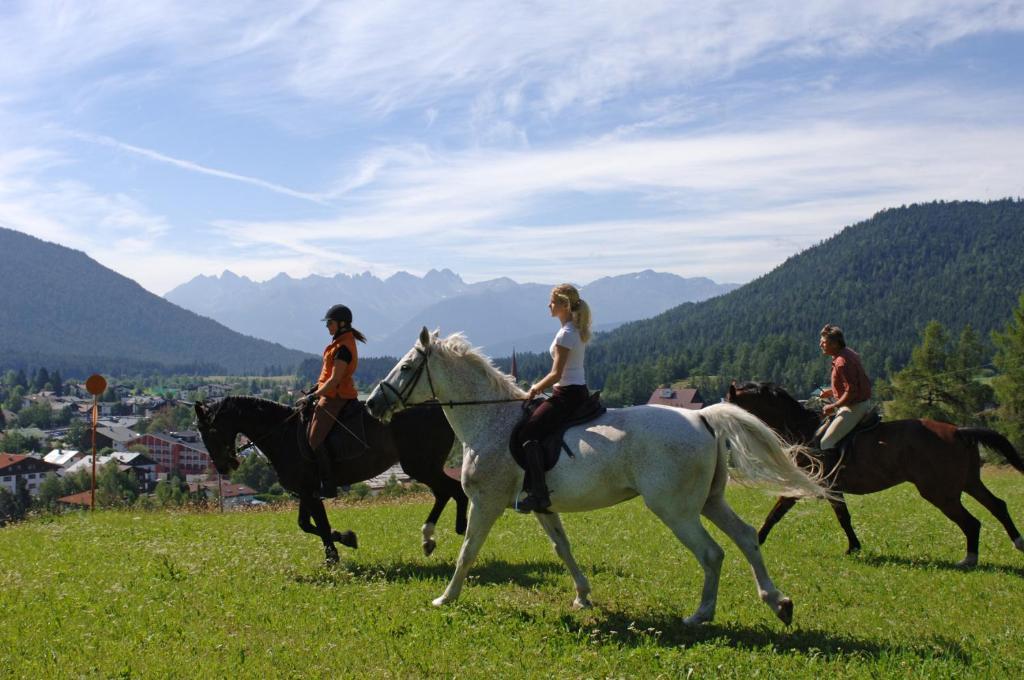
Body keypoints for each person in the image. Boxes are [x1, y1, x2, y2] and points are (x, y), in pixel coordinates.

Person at [516, 283, 592, 514]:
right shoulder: (575, 330)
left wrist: (534, 389)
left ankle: (538, 494)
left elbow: (556, 374)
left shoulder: (566, 333)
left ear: (563, 305)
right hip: (577, 391)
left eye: (551, 301)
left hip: (566, 395)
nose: (548, 305)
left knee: (527, 432)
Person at [298, 304, 366, 498]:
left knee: (314, 438)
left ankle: (328, 485)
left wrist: (314, 395)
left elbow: (335, 380)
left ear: (342, 324)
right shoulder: (339, 343)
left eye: (330, 322)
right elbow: (327, 375)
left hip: (336, 397)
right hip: (328, 393)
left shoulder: (343, 348)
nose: (327, 326)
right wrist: (315, 389)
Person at [816, 324, 872, 458]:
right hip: (855, 404)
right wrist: (830, 392)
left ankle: (834, 476)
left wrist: (833, 406)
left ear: (834, 344)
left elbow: (851, 391)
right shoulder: (847, 353)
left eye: (823, 342)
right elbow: (852, 386)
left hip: (854, 408)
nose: (820, 345)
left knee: (826, 442)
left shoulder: (842, 362)